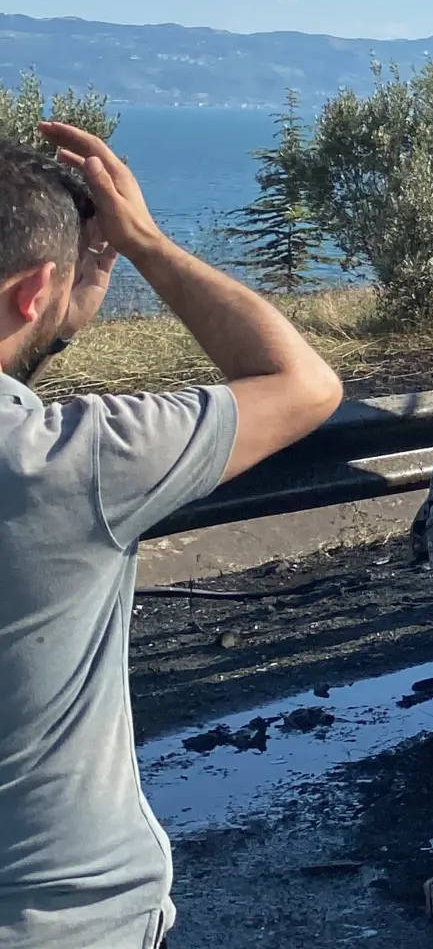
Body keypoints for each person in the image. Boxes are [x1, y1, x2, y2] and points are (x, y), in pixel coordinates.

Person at [0, 124, 341, 945]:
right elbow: (304, 383)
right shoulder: (68, 465)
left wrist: (54, 328)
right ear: (34, 290)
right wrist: (143, 242)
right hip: (64, 919)